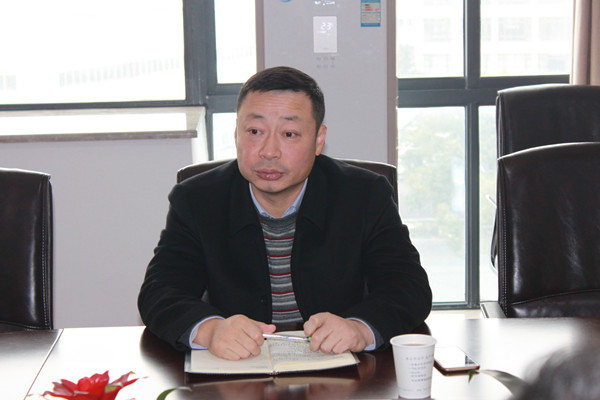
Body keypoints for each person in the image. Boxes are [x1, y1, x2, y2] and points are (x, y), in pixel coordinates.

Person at [138, 66, 432, 360]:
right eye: (255, 131)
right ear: (237, 134)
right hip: (237, 368)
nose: (269, 151)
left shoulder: (364, 195)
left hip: (338, 367)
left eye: (289, 134)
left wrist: (359, 329)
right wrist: (210, 329)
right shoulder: (197, 199)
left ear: (318, 140)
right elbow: (159, 291)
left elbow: (408, 287)